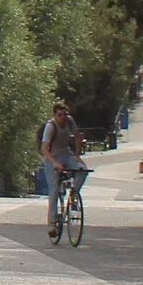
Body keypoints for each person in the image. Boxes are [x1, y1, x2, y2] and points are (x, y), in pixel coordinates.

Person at [39, 101, 87, 239]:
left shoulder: (70, 121)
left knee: (83, 170)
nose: (63, 117)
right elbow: (44, 149)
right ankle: (52, 223)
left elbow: (78, 137)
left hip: (66, 154)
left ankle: (73, 195)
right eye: (60, 114)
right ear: (55, 115)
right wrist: (54, 162)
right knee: (53, 189)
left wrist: (77, 155)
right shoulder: (50, 126)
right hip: (52, 157)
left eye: (65, 114)